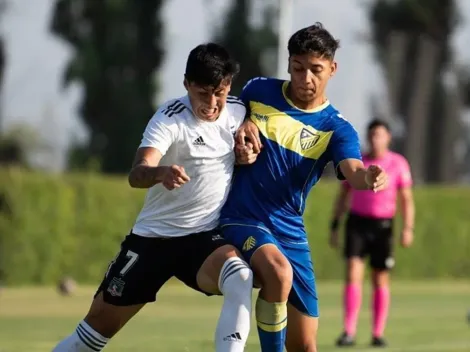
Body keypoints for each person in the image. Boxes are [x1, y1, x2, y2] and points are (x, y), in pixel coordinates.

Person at [52, 43, 258, 352]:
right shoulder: (170, 118)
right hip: (152, 241)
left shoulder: (240, 111)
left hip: (202, 240)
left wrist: (251, 137)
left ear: (229, 85)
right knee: (91, 336)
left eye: (220, 92)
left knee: (240, 276)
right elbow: (138, 172)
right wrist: (159, 173)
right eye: (203, 93)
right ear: (187, 83)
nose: (213, 103)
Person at [221, 23, 389, 352]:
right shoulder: (258, 91)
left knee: (306, 345)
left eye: (316, 70)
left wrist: (367, 178)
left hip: (290, 232)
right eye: (298, 68)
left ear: (332, 69)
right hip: (242, 217)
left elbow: (352, 170)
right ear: (288, 64)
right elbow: (227, 120)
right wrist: (242, 126)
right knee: (278, 272)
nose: (305, 78)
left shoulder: (337, 128)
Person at [330, 118, 415, 348]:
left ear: (388, 137)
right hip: (357, 223)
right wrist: (335, 226)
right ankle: (349, 331)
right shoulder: (358, 164)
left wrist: (407, 228)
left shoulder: (398, 163)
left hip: (383, 227)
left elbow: (406, 199)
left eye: (379, 134)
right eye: (371, 135)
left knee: (380, 278)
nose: (375, 139)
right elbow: (342, 196)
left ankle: (378, 332)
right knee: (352, 273)